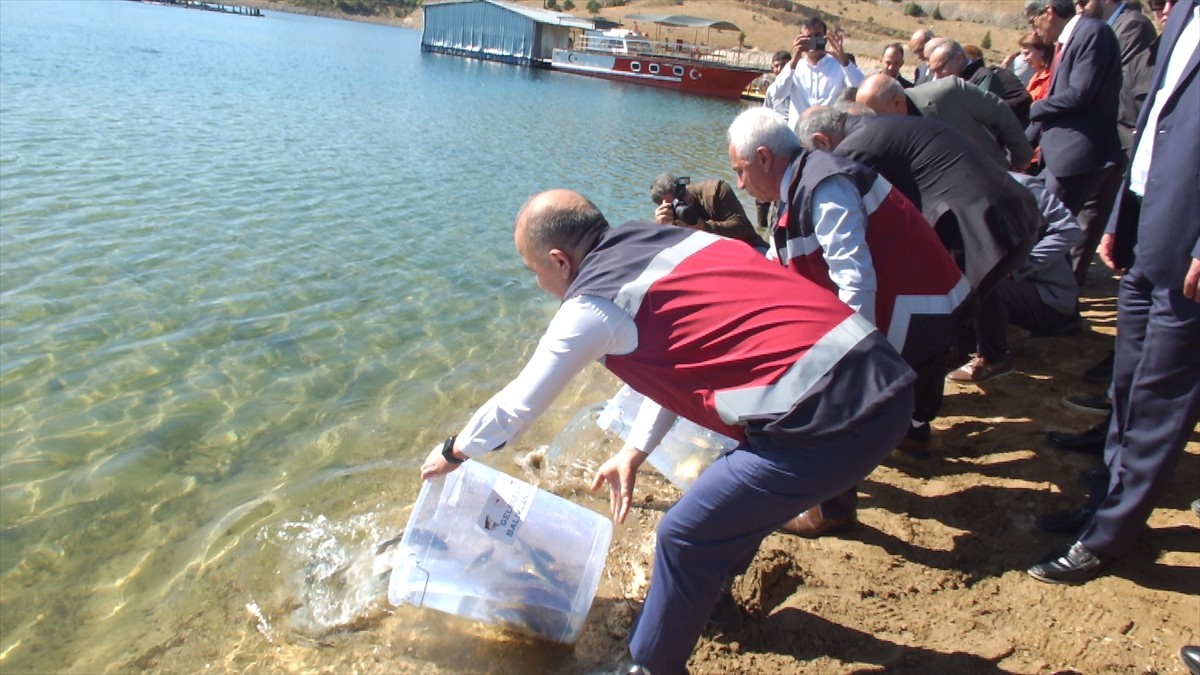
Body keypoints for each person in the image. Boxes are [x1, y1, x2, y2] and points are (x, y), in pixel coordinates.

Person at [421, 189, 917, 674]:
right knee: (723, 501)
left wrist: (454, 451)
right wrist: (634, 451)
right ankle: (712, 604)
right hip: (883, 379)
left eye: (534, 271)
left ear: (559, 261)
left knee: (683, 536)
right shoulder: (671, 240)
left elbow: (516, 406)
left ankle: (651, 663)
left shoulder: (592, 304)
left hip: (837, 424)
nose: (537, 284)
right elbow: (685, 363)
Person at [730, 106, 967, 536]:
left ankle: (833, 508)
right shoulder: (799, 183)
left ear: (764, 157)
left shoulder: (825, 182)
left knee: (823, 392)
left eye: (741, 171)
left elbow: (855, 279)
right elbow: (778, 262)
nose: (740, 184)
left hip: (921, 308)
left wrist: (851, 364)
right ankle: (910, 436)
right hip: (924, 303)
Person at [1026, 0, 1198, 584]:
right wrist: (1125, 213)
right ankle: (1103, 501)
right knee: (1127, 381)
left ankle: (1111, 535)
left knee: (1163, 396)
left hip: (1192, 244)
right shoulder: (1183, 15)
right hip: (1151, 221)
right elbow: (1152, 122)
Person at [947, 172, 1083, 383]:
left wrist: (1021, 265)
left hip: (1048, 298)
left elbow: (1068, 230)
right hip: (1015, 287)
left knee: (984, 276)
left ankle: (993, 358)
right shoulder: (947, 189)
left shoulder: (1018, 185)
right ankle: (961, 346)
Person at [1024, 0, 1124, 215]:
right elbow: (1055, 99)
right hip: (1054, 157)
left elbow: (1080, 94)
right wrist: (1022, 145)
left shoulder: (1093, 33)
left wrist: (1033, 107)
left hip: (1076, 159)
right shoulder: (1067, 42)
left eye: (1033, 23)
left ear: (1049, 13)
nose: (1034, 32)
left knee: (1049, 230)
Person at [856, 73, 1033, 171]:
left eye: (876, 116)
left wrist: (1021, 158)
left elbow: (999, 112)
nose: (874, 124)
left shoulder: (949, 92)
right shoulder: (883, 134)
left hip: (992, 178)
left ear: (897, 102)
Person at [772, 15, 865, 122]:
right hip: (799, 133)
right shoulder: (794, 68)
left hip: (830, 132)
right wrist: (795, 57)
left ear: (825, 39)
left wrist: (843, 59)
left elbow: (860, 90)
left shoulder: (839, 66)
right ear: (801, 39)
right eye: (809, 37)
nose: (813, 40)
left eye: (817, 36)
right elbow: (777, 94)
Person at [926, 39, 1034, 127]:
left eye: (940, 68)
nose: (937, 76)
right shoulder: (959, 78)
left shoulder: (990, 76)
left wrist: (1000, 108)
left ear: (959, 59)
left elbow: (1024, 99)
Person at [648, 173, 766, 249]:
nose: (685, 201)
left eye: (683, 193)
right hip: (714, 261)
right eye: (676, 202)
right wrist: (661, 229)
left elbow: (742, 228)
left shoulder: (717, 190)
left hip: (750, 247)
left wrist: (704, 227)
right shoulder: (669, 217)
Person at [1019, 31, 1056, 101]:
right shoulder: (1035, 77)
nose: (1024, 59)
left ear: (1042, 51)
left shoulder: (1052, 78)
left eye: (1027, 53)